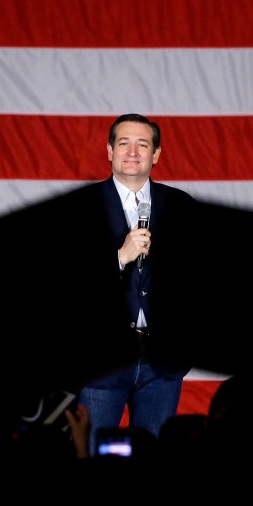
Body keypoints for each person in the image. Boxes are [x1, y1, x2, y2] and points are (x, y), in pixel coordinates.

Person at [76, 113, 196, 454]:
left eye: (142, 144)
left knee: (155, 457)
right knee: (95, 453)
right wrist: (119, 257)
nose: (132, 151)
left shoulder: (181, 206)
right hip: (102, 359)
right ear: (110, 151)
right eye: (124, 143)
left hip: (161, 363)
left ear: (155, 155)